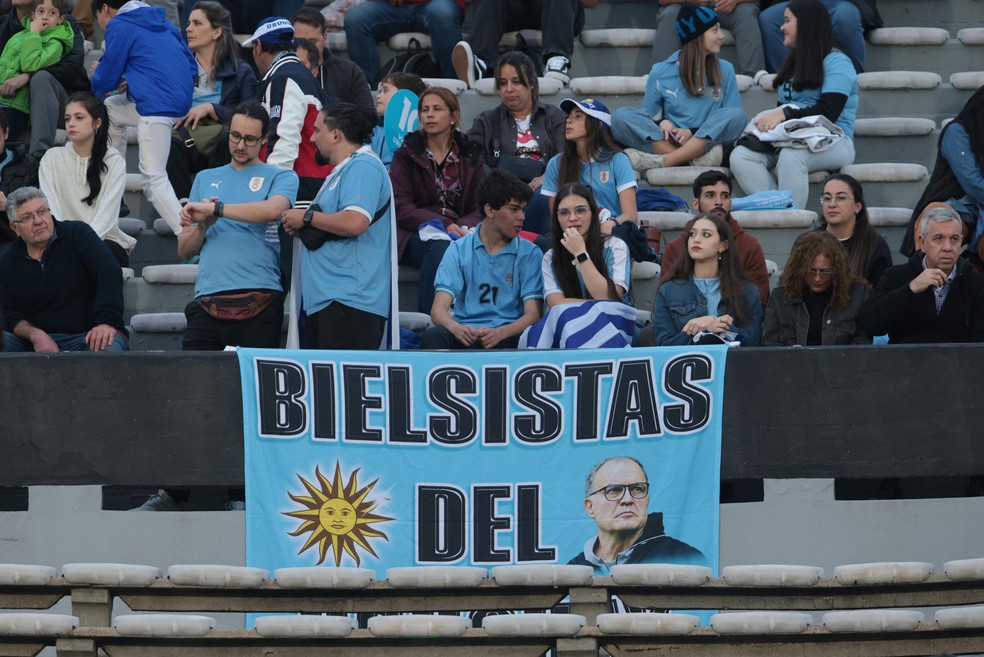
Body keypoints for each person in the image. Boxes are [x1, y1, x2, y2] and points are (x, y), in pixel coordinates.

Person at [177, 101, 298, 351]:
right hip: (208, 298)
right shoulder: (205, 178)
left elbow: (273, 210)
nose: (241, 145)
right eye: (235, 136)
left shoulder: (281, 176)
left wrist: (217, 209)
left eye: (250, 139)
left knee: (253, 388)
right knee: (194, 384)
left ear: (265, 139)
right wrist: (203, 226)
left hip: (260, 298)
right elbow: (184, 251)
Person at [280, 103, 396, 350]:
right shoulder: (343, 171)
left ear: (335, 134)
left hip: (349, 303)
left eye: (316, 130)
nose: (311, 138)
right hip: (331, 301)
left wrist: (306, 219)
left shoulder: (363, 166)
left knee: (346, 388)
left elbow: (355, 222)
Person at [729, 0, 858, 212]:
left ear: (806, 25)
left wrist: (784, 113)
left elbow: (828, 113)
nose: (781, 27)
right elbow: (784, 112)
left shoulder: (838, 62)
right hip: (792, 137)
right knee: (741, 156)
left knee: (791, 155)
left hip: (835, 139)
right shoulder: (793, 63)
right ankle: (780, 212)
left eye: (787, 20)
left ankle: (791, 221)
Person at [90, 0, 196, 237]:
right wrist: (139, 82)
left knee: (152, 179)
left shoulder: (120, 24)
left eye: (99, 19)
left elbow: (106, 78)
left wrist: (96, 75)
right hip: (180, 100)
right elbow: (190, 65)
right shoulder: (164, 22)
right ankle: (114, 179)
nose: (102, 25)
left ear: (104, 9)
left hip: (157, 105)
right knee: (110, 109)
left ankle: (189, 235)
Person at [419, 168, 543, 350]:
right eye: (514, 209)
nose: (522, 217)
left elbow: (533, 314)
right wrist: (457, 328)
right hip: (465, 333)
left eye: (523, 210)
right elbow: (438, 310)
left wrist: (501, 332)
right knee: (434, 336)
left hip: (508, 336)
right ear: (490, 210)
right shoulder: (458, 249)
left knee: (531, 336)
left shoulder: (530, 253)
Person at [613, 5, 747, 172]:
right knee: (620, 117)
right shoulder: (660, 71)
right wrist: (663, 122)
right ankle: (689, 158)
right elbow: (647, 120)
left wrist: (692, 132)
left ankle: (669, 160)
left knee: (737, 115)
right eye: (714, 30)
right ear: (696, 36)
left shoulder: (725, 69)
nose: (721, 36)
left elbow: (732, 121)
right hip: (675, 142)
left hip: (708, 142)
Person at [390, 86, 486, 314]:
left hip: (461, 231)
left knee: (463, 246)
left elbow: (482, 205)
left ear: (454, 116)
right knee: (441, 245)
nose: (429, 115)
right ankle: (430, 320)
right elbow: (401, 206)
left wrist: (462, 227)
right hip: (415, 234)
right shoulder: (405, 154)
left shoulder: (470, 153)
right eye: (424, 110)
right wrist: (442, 224)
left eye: (437, 109)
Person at [0, 186, 128, 352]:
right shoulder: (7, 260)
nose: (38, 220)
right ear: (14, 228)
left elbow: (109, 272)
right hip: (31, 343)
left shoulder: (78, 234)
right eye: (27, 217)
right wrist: (36, 335)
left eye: (42, 212)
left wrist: (105, 322)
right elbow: (8, 312)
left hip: (87, 335)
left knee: (106, 345)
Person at [466, 51, 566, 235]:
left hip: (542, 192)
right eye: (503, 83)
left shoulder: (553, 117)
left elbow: (567, 155)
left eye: (516, 82)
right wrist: (506, 188)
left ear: (532, 84)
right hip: (500, 196)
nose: (508, 89)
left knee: (544, 199)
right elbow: (473, 161)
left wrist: (546, 177)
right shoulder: (486, 120)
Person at [166, 0, 257, 202]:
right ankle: (182, 207)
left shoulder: (241, 71)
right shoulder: (178, 68)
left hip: (222, 140)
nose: (189, 29)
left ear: (217, 32)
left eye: (197, 24)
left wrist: (212, 109)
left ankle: (215, 203)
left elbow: (251, 117)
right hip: (186, 137)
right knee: (168, 144)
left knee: (229, 141)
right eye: (188, 23)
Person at [861, 205, 984, 344]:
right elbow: (871, 325)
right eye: (938, 238)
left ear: (961, 241)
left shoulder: (976, 283)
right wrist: (910, 289)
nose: (948, 247)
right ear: (922, 242)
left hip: (959, 364)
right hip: (905, 363)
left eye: (954, 239)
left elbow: (980, 345)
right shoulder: (895, 276)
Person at [39, 92, 134, 267]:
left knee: (100, 258)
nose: (71, 124)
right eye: (67, 119)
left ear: (97, 123)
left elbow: (107, 215)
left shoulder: (113, 161)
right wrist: (64, 242)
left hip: (103, 241)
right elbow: (49, 206)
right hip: (59, 241)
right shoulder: (51, 158)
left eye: (79, 117)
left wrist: (81, 245)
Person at [568, 456, 705, 574]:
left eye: (637, 489)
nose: (627, 499)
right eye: (614, 490)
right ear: (590, 507)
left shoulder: (684, 558)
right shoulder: (575, 571)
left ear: (647, 500)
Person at [246, 16, 333, 203]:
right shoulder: (298, 74)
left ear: (258, 46)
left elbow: (282, 141)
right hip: (309, 182)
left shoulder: (284, 79)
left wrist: (271, 197)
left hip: (297, 189)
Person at [659, 170, 770, 306]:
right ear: (695, 203)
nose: (719, 202)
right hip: (686, 324)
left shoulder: (749, 245)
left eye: (725, 196)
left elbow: (760, 303)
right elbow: (664, 304)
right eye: (710, 195)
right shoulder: (676, 248)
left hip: (734, 324)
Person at [652, 212, 763, 346]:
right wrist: (702, 332)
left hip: (732, 365)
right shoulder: (669, 290)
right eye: (692, 234)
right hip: (688, 365)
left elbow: (754, 341)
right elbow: (664, 344)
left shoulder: (747, 291)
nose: (696, 239)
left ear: (723, 245)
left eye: (706, 234)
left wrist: (718, 325)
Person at [903, 86, 984, 263]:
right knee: (937, 222)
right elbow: (973, 184)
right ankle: (923, 278)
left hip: (979, 209)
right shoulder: (957, 132)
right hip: (956, 204)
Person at [0, 0, 89, 160]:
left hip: (59, 100)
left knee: (41, 78)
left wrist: (27, 76)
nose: (45, 17)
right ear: (34, 14)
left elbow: (72, 67)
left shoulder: (64, 29)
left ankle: (38, 157)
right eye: (41, 12)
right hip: (10, 99)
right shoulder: (5, 24)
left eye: (51, 13)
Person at [541, 98, 637, 232]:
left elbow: (631, 215)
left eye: (578, 116)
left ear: (598, 125)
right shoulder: (556, 163)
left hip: (610, 232)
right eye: (568, 116)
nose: (568, 120)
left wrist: (610, 224)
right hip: (571, 232)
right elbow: (556, 216)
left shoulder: (618, 160)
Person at [451, 0, 594, 87]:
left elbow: (591, 2)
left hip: (558, 11)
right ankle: (481, 65)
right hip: (512, 9)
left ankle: (556, 60)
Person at [763, 231, 869, 345]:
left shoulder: (857, 295)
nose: (817, 278)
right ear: (800, 269)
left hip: (841, 362)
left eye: (825, 272)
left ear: (837, 270)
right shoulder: (780, 298)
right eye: (811, 271)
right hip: (794, 362)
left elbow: (862, 345)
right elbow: (770, 346)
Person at [543, 183, 631, 306]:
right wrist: (596, 303)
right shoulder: (550, 257)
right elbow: (556, 304)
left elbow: (609, 298)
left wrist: (580, 253)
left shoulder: (615, 246)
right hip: (570, 323)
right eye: (564, 212)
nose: (572, 218)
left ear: (593, 213)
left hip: (611, 322)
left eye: (580, 210)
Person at [343, 0, 464, 86]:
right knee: (356, 19)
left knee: (443, 14)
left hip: (435, 4)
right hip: (389, 6)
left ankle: (453, 88)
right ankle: (368, 92)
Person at [759, 0, 878, 74]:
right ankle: (787, 81)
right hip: (797, 2)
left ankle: (852, 78)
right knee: (769, 19)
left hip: (840, 2)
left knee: (844, 17)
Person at [651, 0, 764, 77]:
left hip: (726, 7)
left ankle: (754, 78)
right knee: (670, 13)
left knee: (745, 12)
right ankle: (661, 78)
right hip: (685, 6)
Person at [814, 173, 891, 286]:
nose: (832, 204)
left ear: (857, 207)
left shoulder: (875, 246)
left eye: (841, 198)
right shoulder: (808, 242)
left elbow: (881, 296)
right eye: (827, 198)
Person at [291, 6, 373, 111]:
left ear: (325, 36)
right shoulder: (282, 71)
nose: (306, 47)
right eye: (300, 42)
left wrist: (337, 122)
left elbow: (368, 115)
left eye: (312, 41)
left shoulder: (349, 71)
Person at [369, 71, 426, 168]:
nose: (378, 96)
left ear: (404, 95)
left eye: (385, 90)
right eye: (380, 91)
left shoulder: (421, 132)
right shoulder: (370, 129)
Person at [0, 109, 38, 246]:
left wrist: (8, 206)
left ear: (6, 133)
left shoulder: (27, 164)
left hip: (14, 240)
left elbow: (37, 209)